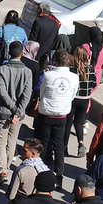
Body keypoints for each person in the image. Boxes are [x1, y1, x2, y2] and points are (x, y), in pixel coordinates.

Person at [37, 51, 78, 188]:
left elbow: (42, 93)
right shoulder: (74, 77)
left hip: (47, 113)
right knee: (59, 145)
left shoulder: (48, 75)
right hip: (62, 114)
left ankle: (40, 171)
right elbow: (72, 95)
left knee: (43, 142)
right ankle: (59, 174)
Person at [0, 40, 32, 181]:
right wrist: (18, 112)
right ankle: (7, 167)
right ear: (21, 53)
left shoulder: (3, 69)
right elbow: (27, 94)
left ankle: (2, 169)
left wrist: (13, 109)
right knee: (12, 140)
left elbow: (2, 92)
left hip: (4, 111)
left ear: (9, 52)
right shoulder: (27, 72)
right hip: (18, 115)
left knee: (1, 140)